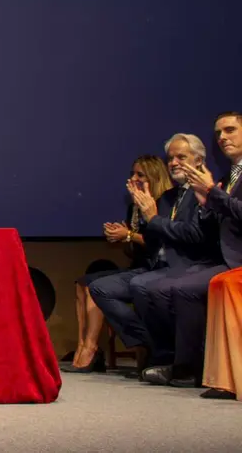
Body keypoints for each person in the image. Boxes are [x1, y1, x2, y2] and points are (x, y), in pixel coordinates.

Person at [89, 134, 221, 380]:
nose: (173, 162)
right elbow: (153, 241)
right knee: (99, 287)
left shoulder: (202, 193)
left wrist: (151, 219)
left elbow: (193, 235)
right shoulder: (168, 197)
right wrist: (136, 226)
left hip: (188, 265)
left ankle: (169, 358)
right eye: (170, 158)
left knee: (144, 285)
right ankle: (151, 345)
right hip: (155, 265)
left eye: (181, 157)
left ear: (199, 160)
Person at [157, 111, 242, 390]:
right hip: (224, 256)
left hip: (236, 258)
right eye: (218, 133)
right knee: (180, 285)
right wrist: (206, 203)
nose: (222, 138)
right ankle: (192, 366)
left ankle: (188, 369)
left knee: (184, 288)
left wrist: (212, 194)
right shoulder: (231, 174)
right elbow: (218, 220)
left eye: (229, 130)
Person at [63, 155, 171, 373]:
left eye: (140, 174)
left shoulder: (164, 203)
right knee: (83, 283)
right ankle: (85, 346)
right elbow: (135, 249)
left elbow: (161, 243)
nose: (134, 178)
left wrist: (129, 235)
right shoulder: (134, 207)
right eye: (133, 173)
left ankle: (102, 347)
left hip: (159, 269)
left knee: (98, 288)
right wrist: (120, 236)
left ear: (154, 176)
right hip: (140, 267)